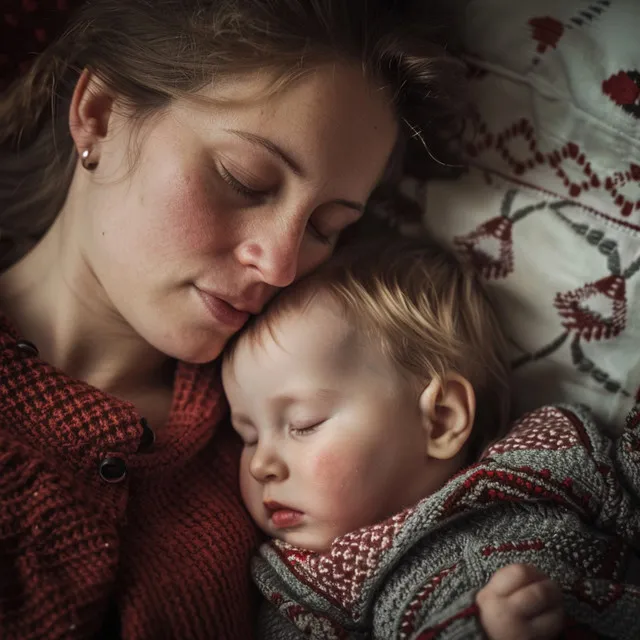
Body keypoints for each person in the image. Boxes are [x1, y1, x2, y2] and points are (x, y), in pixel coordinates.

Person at [0, 0, 469, 638]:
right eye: (244, 181)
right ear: (100, 114)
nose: (280, 265)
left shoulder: (289, 472)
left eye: (326, 228)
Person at [222, 237, 640, 639]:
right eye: (247, 435)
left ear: (440, 420)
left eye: (304, 424)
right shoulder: (304, 594)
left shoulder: (546, 451)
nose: (261, 465)